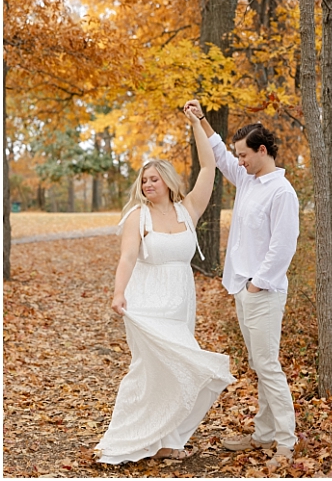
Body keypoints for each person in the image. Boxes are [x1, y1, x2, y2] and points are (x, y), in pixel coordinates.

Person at [95, 105, 235, 464]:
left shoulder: (187, 209)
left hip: (180, 302)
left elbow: (209, 167)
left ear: (169, 182)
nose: (147, 185)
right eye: (144, 180)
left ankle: (169, 440)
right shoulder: (137, 217)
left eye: (154, 179)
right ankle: (128, 437)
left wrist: (195, 124)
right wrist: (118, 293)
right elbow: (127, 258)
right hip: (147, 303)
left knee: (181, 367)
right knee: (150, 369)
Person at [184, 99, 298, 466]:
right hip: (242, 287)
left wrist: (258, 284)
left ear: (261, 151)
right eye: (239, 156)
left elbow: (283, 247)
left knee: (268, 365)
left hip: (263, 292)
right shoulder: (248, 180)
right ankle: (264, 433)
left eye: (244, 155)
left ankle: (286, 442)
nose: (240, 161)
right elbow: (218, 155)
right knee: (259, 363)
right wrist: (200, 119)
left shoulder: (282, 192)